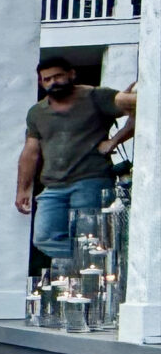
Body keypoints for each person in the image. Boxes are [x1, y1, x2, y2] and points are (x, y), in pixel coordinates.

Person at [17, 56, 138, 268]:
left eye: (58, 76)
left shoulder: (96, 96)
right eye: (47, 79)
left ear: (71, 74)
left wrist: (115, 140)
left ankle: (87, 271)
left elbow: (140, 107)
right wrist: (23, 188)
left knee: (87, 234)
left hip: (91, 179)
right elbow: (30, 151)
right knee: (44, 238)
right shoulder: (37, 112)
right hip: (53, 185)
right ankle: (91, 263)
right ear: (41, 83)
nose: (53, 82)